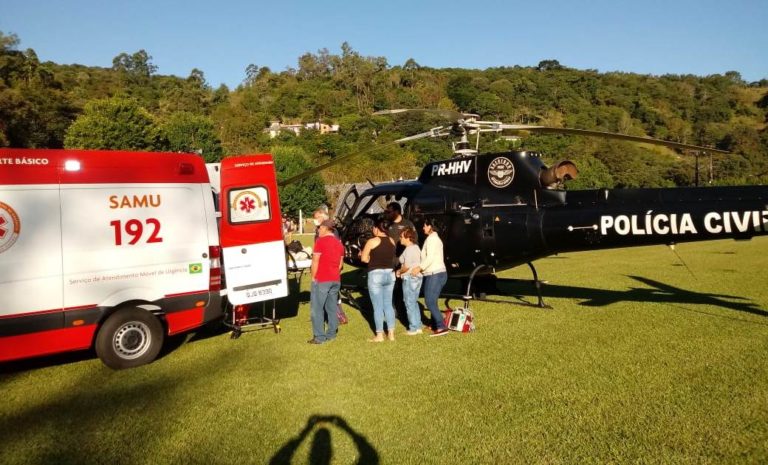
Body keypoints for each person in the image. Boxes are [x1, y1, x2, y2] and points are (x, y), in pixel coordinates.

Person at [409, 218, 449, 337]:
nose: (423, 228)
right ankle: (435, 324)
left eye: (425, 226)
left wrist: (419, 268)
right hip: (439, 273)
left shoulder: (432, 240)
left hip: (434, 274)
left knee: (429, 301)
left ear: (430, 226)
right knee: (433, 300)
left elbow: (430, 258)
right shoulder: (434, 239)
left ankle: (442, 327)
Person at [308, 219, 345, 344]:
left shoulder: (320, 242)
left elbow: (315, 261)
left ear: (325, 228)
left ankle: (319, 337)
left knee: (317, 308)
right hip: (335, 279)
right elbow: (340, 265)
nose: (318, 230)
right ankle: (332, 333)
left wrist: (313, 277)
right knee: (332, 307)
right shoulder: (339, 244)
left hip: (322, 278)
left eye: (319, 228)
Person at [360, 217, 397, 342]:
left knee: (378, 306)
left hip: (376, 274)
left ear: (376, 228)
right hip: (390, 274)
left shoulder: (372, 241)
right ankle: (391, 333)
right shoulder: (392, 240)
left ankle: (380, 335)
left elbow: (364, 259)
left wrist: (369, 256)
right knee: (388, 304)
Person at [396, 228, 423, 335]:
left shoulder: (409, 249)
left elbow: (406, 266)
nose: (400, 239)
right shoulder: (416, 248)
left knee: (409, 303)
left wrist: (398, 271)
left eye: (401, 237)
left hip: (410, 278)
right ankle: (418, 325)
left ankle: (413, 328)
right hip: (417, 278)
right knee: (414, 301)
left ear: (408, 238)